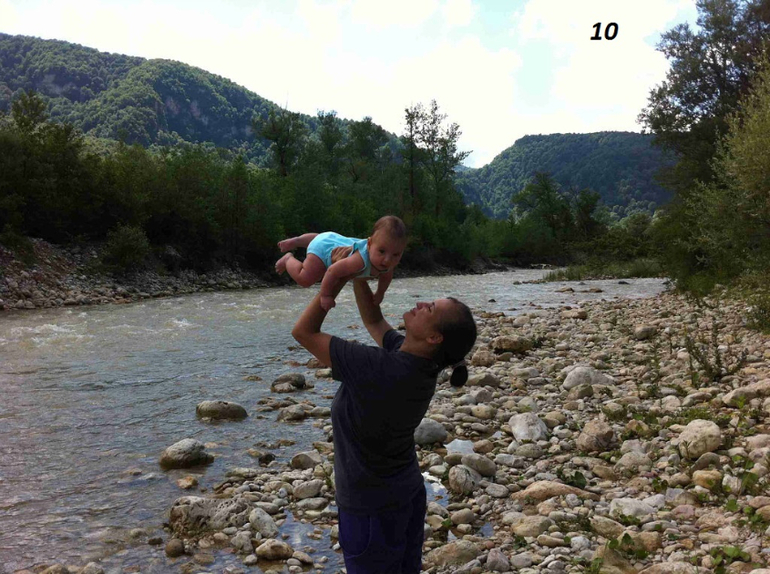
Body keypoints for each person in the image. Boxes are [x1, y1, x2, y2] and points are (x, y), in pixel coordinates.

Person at [291, 275, 477, 574]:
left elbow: (303, 332)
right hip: (404, 495)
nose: (420, 304)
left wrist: (334, 280)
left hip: (370, 509)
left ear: (434, 337)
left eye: (429, 308)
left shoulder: (378, 366)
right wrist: (358, 272)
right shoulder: (420, 362)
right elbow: (374, 320)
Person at [275, 216, 407, 311]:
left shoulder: (385, 261)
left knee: (321, 238)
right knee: (305, 279)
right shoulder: (359, 261)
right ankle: (288, 259)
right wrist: (326, 295)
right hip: (323, 251)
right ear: (369, 244)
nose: (387, 260)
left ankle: (298, 241)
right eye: (382, 251)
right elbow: (332, 271)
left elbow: (386, 276)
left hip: (330, 238)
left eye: (396, 255)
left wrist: (380, 293)